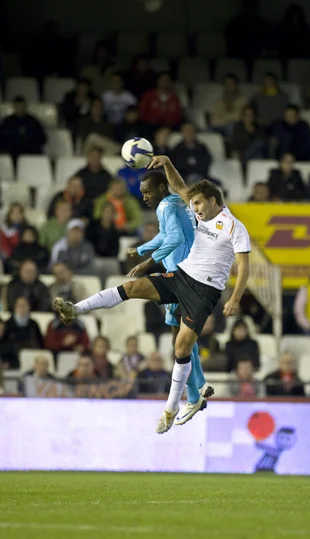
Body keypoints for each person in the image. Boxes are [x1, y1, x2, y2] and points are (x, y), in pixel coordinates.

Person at [53, 155, 251, 433]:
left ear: (214, 200)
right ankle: (75, 309)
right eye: (193, 204)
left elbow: (244, 267)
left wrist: (235, 298)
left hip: (204, 292)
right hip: (182, 276)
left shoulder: (234, 227)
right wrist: (168, 163)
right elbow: (180, 187)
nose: (194, 208)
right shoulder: (198, 210)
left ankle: (172, 409)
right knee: (133, 287)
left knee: (181, 347)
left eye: (198, 204)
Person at [124, 168, 216, 416]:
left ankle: (197, 392)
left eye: (147, 191)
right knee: (184, 338)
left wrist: (147, 263)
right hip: (192, 277)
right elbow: (166, 235)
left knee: (182, 341)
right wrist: (142, 248)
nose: (144, 196)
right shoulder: (179, 204)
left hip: (179, 279)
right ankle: (197, 392)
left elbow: (172, 239)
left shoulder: (166, 206)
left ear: (162, 188)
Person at [0, 96, 46, 161]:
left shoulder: (33, 121)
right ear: (14, 107)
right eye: (18, 106)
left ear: (25, 107)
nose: (20, 109)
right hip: (13, 153)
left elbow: (42, 138)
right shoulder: (7, 122)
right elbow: (2, 139)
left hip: (30, 152)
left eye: (22, 106)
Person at [2, 297, 43, 368]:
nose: (22, 308)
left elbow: (40, 343)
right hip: (12, 361)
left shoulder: (34, 324)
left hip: (31, 359)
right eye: (20, 306)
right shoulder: (7, 324)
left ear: (29, 307)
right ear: (15, 307)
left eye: (24, 306)